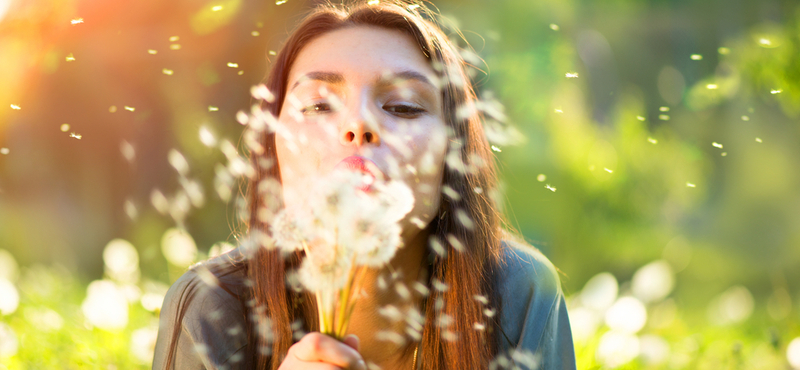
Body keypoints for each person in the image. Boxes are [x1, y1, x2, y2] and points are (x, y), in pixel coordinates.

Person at [152, 1, 576, 369]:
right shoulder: (211, 309)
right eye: (318, 104)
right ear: (271, 146)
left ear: (453, 154)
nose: (359, 124)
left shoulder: (515, 295)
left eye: (403, 107)